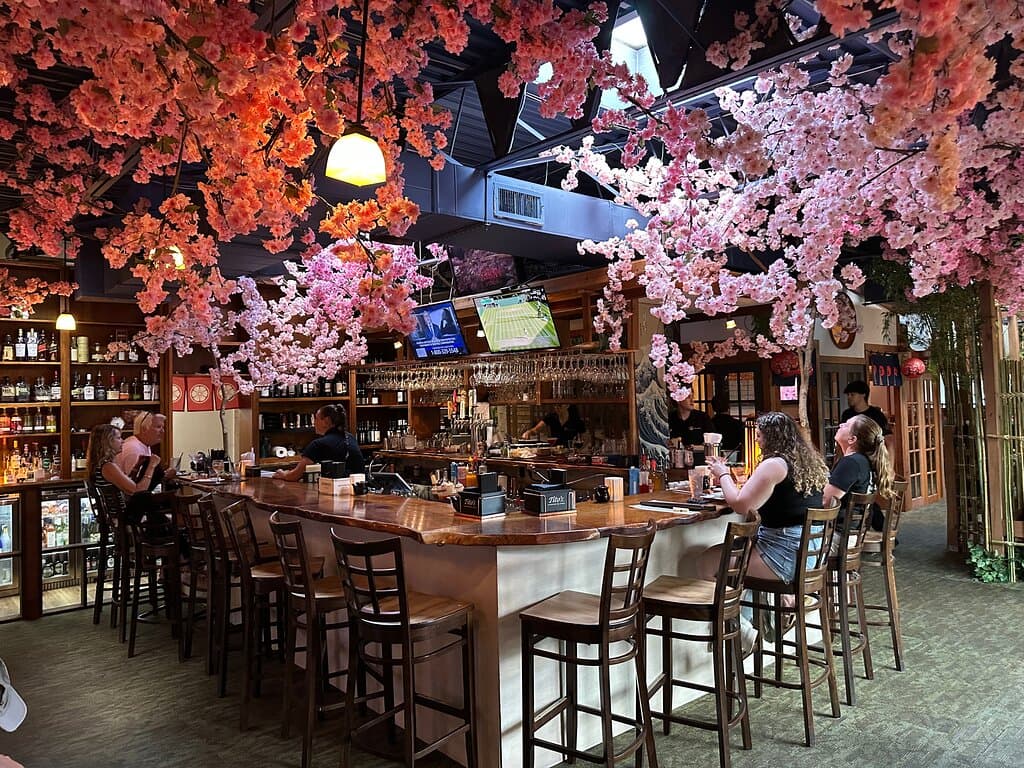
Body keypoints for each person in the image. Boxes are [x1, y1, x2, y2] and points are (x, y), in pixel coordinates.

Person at [701, 412, 830, 653]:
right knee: (741, 557)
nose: (757, 440)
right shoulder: (806, 461)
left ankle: (741, 630)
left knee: (707, 562)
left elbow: (741, 505)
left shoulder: (774, 465)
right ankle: (752, 624)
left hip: (786, 555)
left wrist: (723, 474)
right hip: (809, 554)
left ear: (772, 436)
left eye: (759, 435)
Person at [824, 414, 895, 541]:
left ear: (852, 439)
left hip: (839, 537)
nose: (840, 425)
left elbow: (826, 501)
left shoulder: (851, 463)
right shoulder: (861, 460)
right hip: (851, 534)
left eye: (846, 425)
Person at [274, 403, 364, 480]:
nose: (314, 423)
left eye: (316, 419)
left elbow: (295, 475)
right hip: (358, 487)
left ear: (326, 421)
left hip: (335, 490)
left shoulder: (319, 444)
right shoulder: (350, 437)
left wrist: (282, 474)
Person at [114, 411, 174, 490]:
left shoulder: (143, 444)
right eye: (158, 427)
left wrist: (164, 475)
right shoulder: (134, 449)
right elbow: (137, 487)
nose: (162, 431)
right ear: (144, 429)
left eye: (163, 427)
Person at [709, 391, 743, 461]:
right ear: (728, 407)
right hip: (736, 458)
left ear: (713, 408)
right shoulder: (738, 424)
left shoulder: (710, 424)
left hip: (715, 458)